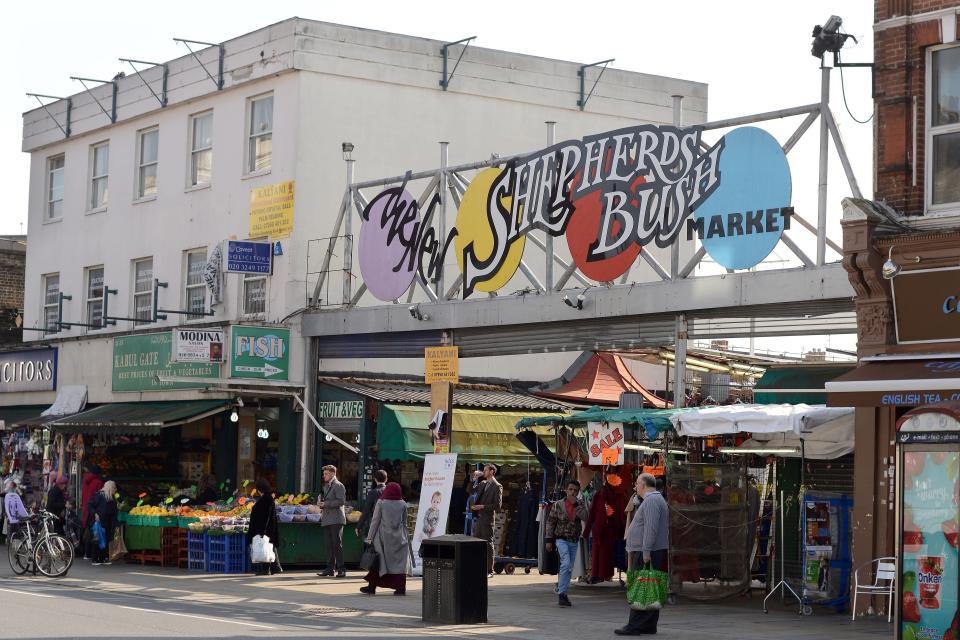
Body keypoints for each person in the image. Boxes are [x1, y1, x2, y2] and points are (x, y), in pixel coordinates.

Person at [616, 473, 669, 636]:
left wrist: (646, 551)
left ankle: (635, 625)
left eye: (637, 483)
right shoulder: (655, 499)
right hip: (652, 551)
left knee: (641, 588)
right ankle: (648, 625)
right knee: (651, 588)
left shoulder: (652, 500)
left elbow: (651, 528)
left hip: (649, 552)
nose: (635, 486)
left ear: (644, 485)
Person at [360, 482, 411, 596]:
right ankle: (400, 588)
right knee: (399, 564)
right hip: (399, 538)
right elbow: (404, 522)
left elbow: (375, 521)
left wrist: (370, 537)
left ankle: (371, 587)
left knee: (379, 562)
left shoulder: (381, 502)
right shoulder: (403, 503)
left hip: (383, 538)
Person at [545, 479, 589, 607]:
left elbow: (586, 517)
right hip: (561, 538)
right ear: (566, 490)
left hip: (574, 540)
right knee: (566, 563)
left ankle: (563, 593)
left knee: (569, 567)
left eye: (575, 490)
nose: (572, 492)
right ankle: (561, 593)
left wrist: (576, 505)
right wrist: (548, 540)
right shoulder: (558, 504)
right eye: (570, 489)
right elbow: (550, 522)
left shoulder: (580, 504)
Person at [469, 463, 502, 577]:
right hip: (478, 518)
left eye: (485, 470)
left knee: (488, 544)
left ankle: (489, 570)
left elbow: (497, 506)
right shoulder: (482, 483)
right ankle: (478, 566)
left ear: (492, 471)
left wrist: (482, 506)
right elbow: (470, 491)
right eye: (483, 470)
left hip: (487, 519)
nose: (483, 472)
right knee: (477, 543)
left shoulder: (497, 486)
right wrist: (474, 479)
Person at [317, 465, 346, 578]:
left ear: (333, 474)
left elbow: (341, 501)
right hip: (327, 519)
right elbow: (328, 501)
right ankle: (329, 568)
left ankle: (341, 569)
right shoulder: (326, 486)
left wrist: (326, 504)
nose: (324, 476)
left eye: (326, 474)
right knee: (329, 545)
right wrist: (321, 503)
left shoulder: (338, 485)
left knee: (336, 544)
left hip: (336, 519)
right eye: (324, 474)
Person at [247, 478, 281, 575]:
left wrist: (262, 532)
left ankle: (266, 569)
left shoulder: (265, 500)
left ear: (259, 489)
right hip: (269, 529)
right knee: (269, 547)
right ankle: (275, 567)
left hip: (264, 529)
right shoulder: (268, 498)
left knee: (264, 547)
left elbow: (264, 517)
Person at [88, 480, 118, 566]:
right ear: (110, 488)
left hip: (108, 521)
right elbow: (90, 505)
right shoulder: (99, 495)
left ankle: (103, 558)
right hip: (99, 521)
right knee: (97, 539)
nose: (115, 490)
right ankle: (95, 559)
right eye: (113, 488)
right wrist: (94, 514)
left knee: (106, 538)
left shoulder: (112, 497)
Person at [357, 470, 387, 538]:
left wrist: (359, 526)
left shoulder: (373, 492)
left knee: (376, 545)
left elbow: (366, 511)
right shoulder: (391, 491)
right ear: (386, 479)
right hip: (390, 524)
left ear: (375, 479)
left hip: (377, 524)